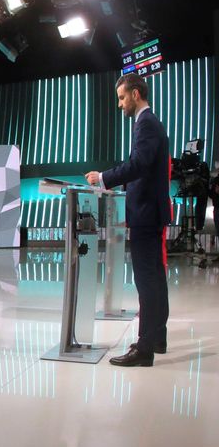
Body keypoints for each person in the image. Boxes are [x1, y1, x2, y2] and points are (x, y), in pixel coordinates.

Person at [86, 73, 170, 367]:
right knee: (155, 278)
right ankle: (157, 339)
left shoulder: (145, 123)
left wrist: (104, 178)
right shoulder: (149, 123)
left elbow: (139, 165)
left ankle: (144, 348)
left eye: (122, 98)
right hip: (150, 212)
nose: (120, 105)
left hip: (146, 213)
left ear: (136, 94)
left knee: (146, 280)